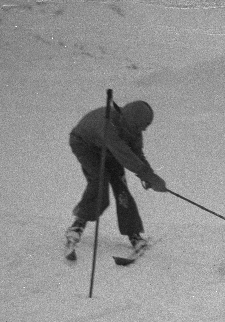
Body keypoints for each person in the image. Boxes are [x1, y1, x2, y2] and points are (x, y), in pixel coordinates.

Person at [65, 100, 168, 251]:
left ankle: (134, 233)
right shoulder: (108, 126)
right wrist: (149, 176)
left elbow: (136, 154)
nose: (143, 130)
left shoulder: (134, 131)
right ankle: (78, 224)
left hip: (110, 150)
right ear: (130, 122)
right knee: (99, 181)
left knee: (121, 188)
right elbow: (125, 155)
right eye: (140, 126)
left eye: (145, 127)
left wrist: (148, 175)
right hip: (85, 145)